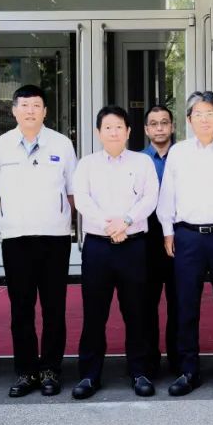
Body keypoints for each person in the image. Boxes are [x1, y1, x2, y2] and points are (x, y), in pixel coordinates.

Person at [0, 85, 77, 397]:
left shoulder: (62, 144)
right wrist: (13, 216)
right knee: (21, 309)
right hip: (16, 239)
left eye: (36, 105)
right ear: (14, 111)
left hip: (55, 239)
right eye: (24, 105)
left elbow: (72, 191)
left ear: (45, 111)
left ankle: (50, 370)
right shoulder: (0, 146)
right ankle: (26, 372)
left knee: (54, 308)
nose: (30, 111)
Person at [158, 92, 213, 397]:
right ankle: (188, 370)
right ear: (189, 120)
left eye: (210, 113)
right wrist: (168, 231)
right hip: (187, 236)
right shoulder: (179, 152)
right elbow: (167, 195)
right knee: (186, 306)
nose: (205, 119)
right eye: (198, 114)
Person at [70, 106, 160, 400]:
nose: (113, 132)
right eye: (107, 127)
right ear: (99, 132)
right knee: (94, 313)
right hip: (98, 246)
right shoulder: (87, 164)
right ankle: (89, 375)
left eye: (119, 127)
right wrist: (109, 226)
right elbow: (82, 200)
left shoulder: (142, 162)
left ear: (128, 131)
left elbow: (150, 197)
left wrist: (127, 222)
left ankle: (140, 372)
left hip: (134, 245)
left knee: (137, 312)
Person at [141, 105, 180, 377]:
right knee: (147, 302)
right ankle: (149, 361)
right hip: (147, 236)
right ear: (146, 130)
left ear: (172, 127)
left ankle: (178, 360)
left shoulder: (184, 157)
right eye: (153, 123)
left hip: (179, 234)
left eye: (164, 122)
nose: (159, 128)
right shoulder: (138, 160)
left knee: (179, 301)